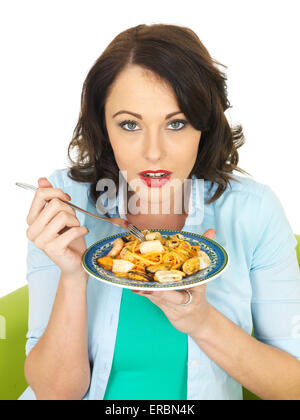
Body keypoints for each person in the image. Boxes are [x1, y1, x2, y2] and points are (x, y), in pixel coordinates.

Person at [20, 23, 300, 400]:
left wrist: (200, 321)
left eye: (176, 123)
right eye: (130, 124)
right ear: (103, 125)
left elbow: (292, 386)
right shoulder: (67, 205)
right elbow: (55, 393)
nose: (154, 152)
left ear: (204, 123)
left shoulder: (254, 211)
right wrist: (73, 276)